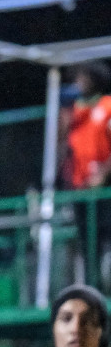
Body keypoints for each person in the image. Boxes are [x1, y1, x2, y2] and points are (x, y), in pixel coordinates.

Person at [65, 61, 111, 288]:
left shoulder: (107, 105)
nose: (79, 83)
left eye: (84, 78)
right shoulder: (74, 110)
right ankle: (94, 290)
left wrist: (103, 173)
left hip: (105, 188)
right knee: (88, 242)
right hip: (81, 189)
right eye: (77, 79)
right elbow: (63, 143)